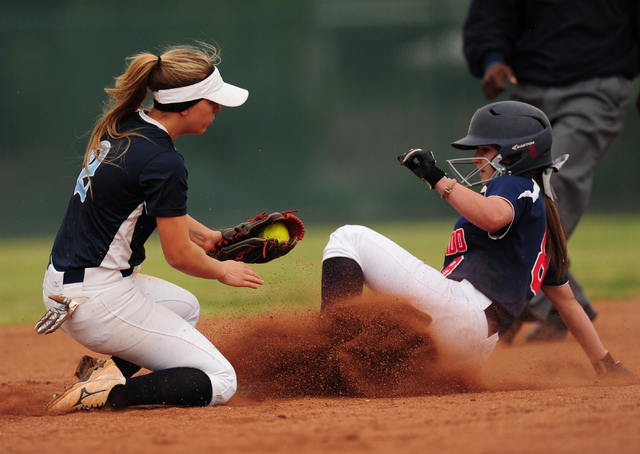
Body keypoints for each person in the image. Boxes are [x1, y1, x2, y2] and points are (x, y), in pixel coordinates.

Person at [320, 101, 635, 379]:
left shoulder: (517, 184)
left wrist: (436, 178)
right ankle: (360, 364)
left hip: (463, 316)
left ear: (516, 154)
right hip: (471, 351)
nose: (475, 158)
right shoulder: (539, 230)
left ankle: (323, 350)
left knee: (348, 238)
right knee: (388, 322)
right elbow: (569, 305)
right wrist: (605, 363)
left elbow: (493, 216)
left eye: (485, 149)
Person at [40, 42, 264, 413]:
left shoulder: (127, 125)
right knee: (222, 381)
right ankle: (108, 394)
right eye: (212, 102)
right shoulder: (164, 161)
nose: (218, 109)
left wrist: (206, 236)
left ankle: (106, 371)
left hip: (65, 286)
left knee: (184, 306)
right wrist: (223, 271)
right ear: (188, 103)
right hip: (97, 300)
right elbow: (178, 256)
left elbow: (142, 202)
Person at [461, 0, 640, 342]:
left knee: (546, 184)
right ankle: (559, 304)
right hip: (529, 90)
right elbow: (492, 9)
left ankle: (508, 300)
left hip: (598, 84)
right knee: (507, 185)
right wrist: (492, 57)